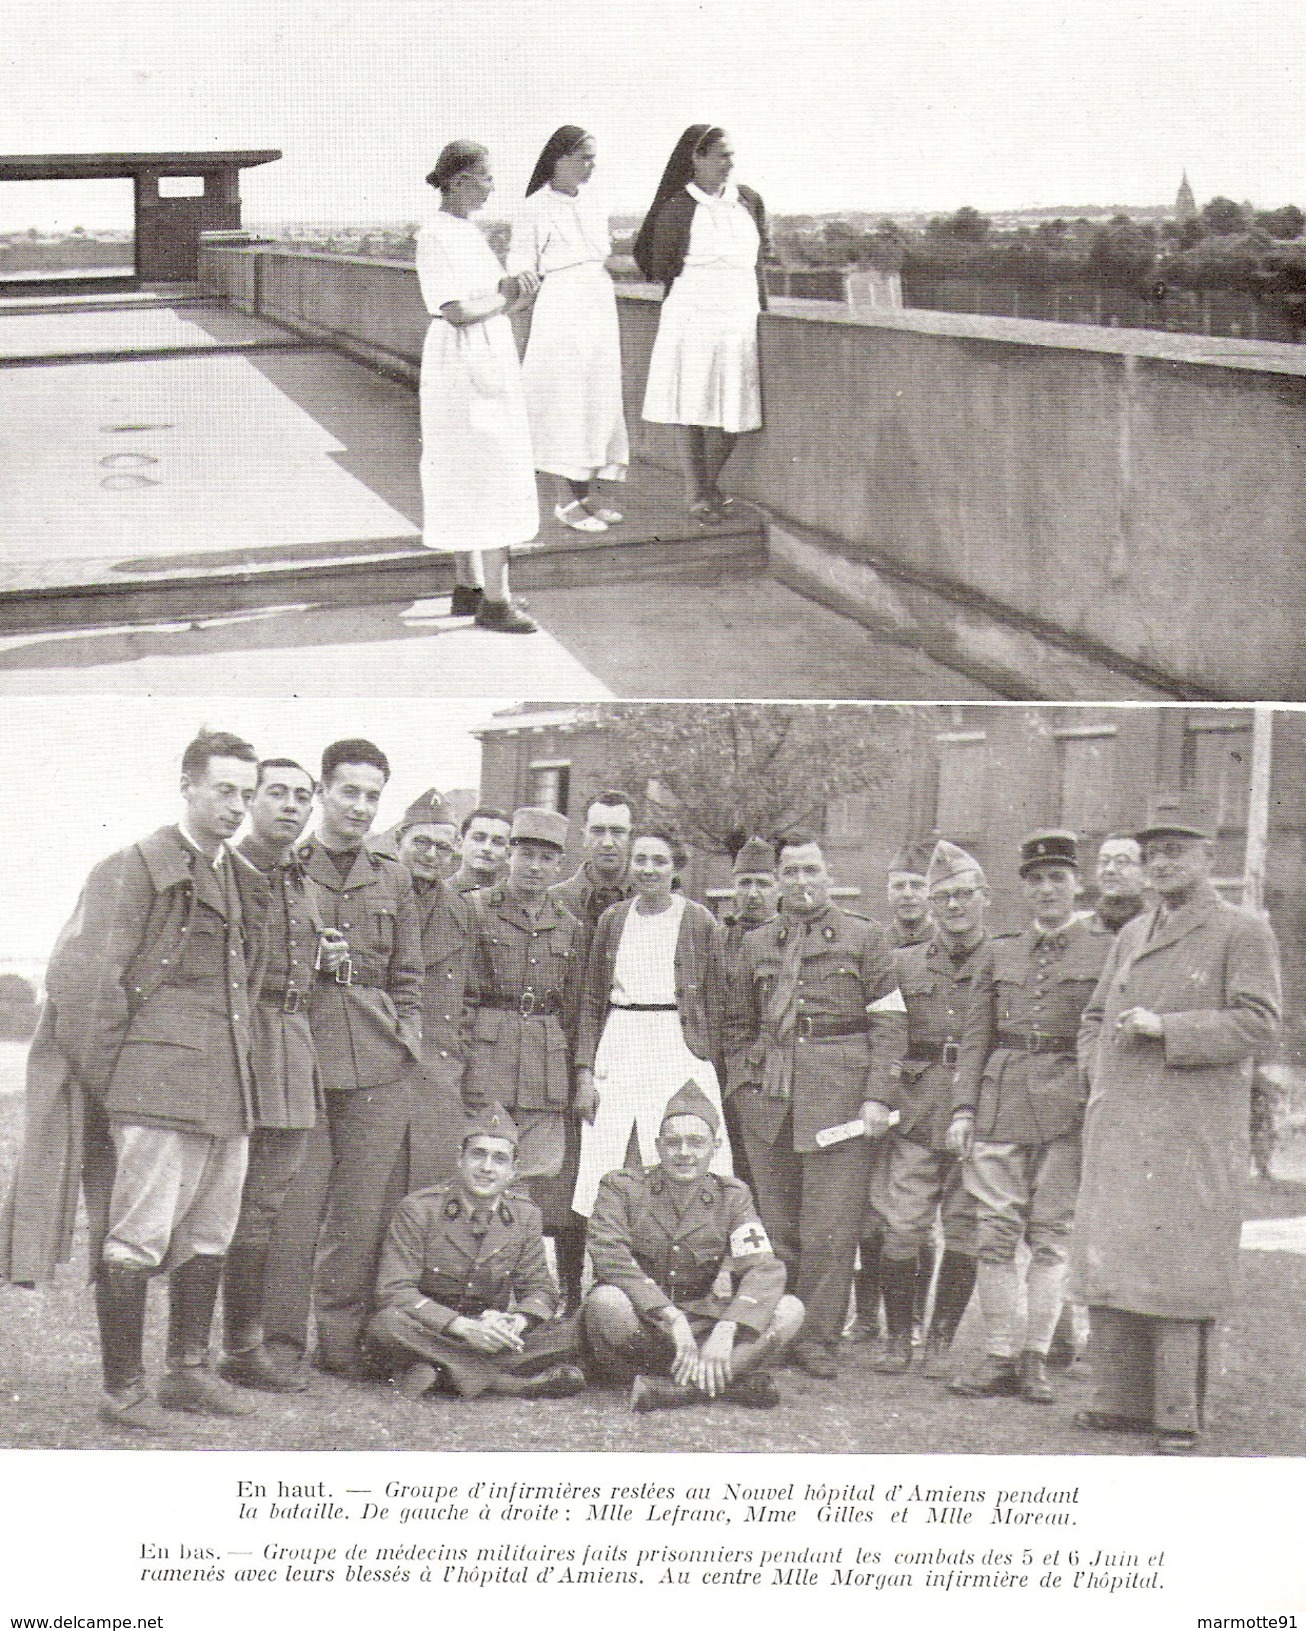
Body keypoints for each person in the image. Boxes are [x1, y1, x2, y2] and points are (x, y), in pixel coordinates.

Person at [1, 731, 268, 1431]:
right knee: (137, 1238)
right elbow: (84, 982)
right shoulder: (132, 867)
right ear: (187, 785)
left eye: (247, 792)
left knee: (210, 1231)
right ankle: (122, 1389)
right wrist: (123, 1080)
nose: (237, 806)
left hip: (228, 1090)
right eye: (223, 790)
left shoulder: (238, 875)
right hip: (156, 1088)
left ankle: (187, 1374)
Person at [1071, 794, 1281, 1455]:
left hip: (1189, 1134)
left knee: (1177, 1270)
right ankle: (1116, 1403)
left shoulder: (1242, 930)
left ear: (1207, 857)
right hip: (1122, 1124)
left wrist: (1169, 1028)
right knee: (1118, 1262)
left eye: (1175, 850)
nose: (1160, 862)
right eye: (1152, 851)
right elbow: (1094, 1015)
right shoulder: (1133, 931)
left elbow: (1260, 1023)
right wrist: (1095, 1072)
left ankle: (1175, 1414)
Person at [725, 834, 906, 1379]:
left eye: (811, 871)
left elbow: (890, 1022)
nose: (800, 883)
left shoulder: (864, 938)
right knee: (774, 1224)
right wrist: (741, 1084)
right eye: (790, 873)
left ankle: (816, 1336)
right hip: (768, 1101)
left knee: (831, 1228)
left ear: (829, 875)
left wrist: (878, 1094)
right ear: (778, 879)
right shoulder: (757, 943)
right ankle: (771, 1327)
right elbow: (735, 1023)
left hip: (841, 1098)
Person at [947, 830, 1112, 1405]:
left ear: (1078, 884)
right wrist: (963, 1107)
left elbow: (1103, 1035)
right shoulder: (1000, 951)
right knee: (995, 1235)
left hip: (1068, 1104)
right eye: (1035, 880)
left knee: (1051, 1238)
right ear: (1022, 889)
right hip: (999, 1100)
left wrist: (1098, 1104)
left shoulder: (1105, 948)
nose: (1046, 890)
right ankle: (997, 1355)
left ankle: (1035, 1358)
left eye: (1057, 879)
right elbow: (974, 1037)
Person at [293, 739, 426, 1377]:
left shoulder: (393, 875)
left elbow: (409, 976)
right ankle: (278, 1342)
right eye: (349, 792)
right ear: (322, 793)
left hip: (378, 1062)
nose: (361, 807)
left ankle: (342, 1344)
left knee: (361, 1210)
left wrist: (407, 1040)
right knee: (296, 1204)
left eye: (373, 796)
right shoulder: (288, 866)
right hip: (303, 1056)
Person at [584, 1081, 803, 1411]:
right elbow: (610, 1256)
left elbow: (763, 1267)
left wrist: (729, 1325)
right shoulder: (621, 1187)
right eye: (673, 1142)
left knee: (791, 1310)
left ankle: (677, 1391)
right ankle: (726, 1380)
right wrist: (671, 1317)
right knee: (606, 1302)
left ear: (714, 1146)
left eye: (696, 1142)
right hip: (644, 1323)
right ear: (658, 1146)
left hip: (700, 1319)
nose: (683, 1152)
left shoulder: (732, 1195)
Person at [366, 1103, 585, 1401]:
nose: (487, 1168)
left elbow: (541, 1289)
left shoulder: (525, 1216)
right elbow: (394, 1291)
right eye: (478, 1154)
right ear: (460, 1158)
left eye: (499, 1159)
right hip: (433, 1328)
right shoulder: (419, 1209)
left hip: (493, 1333)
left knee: (573, 1333)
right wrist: (463, 1328)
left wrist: (516, 1321)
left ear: (513, 1170)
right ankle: (508, 1384)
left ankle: (438, 1371)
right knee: (387, 1325)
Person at [221, 756, 322, 1394]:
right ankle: (201, 1355)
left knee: (264, 1206)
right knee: (220, 1205)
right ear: (251, 800)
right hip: (240, 1044)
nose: (290, 806)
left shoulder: (296, 877)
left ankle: (242, 1347)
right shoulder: (231, 871)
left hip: (291, 1046)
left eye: (301, 796)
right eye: (276, 793)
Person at [572, 824, 732, 1221]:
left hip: (677, 1044)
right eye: (640, 859)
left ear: (676, 867)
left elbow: (717, 999)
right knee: (613, 1152)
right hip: (621, 1041)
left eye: (659, 861)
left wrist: (703, 1053)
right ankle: (610, 1260)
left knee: (679, 1144)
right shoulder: (612, 919)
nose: (648, 869)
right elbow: (592, 1000)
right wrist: (584, 1074)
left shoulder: (699, 921)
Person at [462, 808, 588, 1304]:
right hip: (487, 1059)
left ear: (558, 865)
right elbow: (463, 997)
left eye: (546, 858)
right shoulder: (475, 910)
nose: (534, 867)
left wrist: (580, 1073)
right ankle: (477, 1296)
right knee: (480, 1176)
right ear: (509, 855)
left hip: (545, 1066)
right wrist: (463, 1062)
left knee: (530, 1185)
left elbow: (579, 1009)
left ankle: (527, 1298)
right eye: (526, 855)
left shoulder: (571, 927)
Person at [871, 840, 987, 1379]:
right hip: (918, 1110)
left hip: (982, 1112)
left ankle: (940, 1341)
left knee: (965, 1228)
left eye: (965, 895)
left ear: (984, 898)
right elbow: (888, 1035)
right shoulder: (902, 963)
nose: (955, 906)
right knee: (903, 1226)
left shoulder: (1000, 959)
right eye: (945, 898)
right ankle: (899, 1337)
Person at [416, 140, 540, 633]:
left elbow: (492, 302)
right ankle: (495, 600)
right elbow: (456, 310)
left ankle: (471, 587)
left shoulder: (467, 232)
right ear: (461, 179)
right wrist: (505, 296)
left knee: (473, 466)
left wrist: (518, 294)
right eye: (486, 178)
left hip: (486, 356)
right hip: (460, 363)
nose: (491, 188)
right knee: (487, 469)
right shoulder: (434, 236)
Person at [635, 124, 768, 525]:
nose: (730, 163)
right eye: (721, 155)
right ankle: (698, 492)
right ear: (697, 158)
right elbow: (661, 265)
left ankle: (706, 484)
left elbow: (760, 259)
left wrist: (762, 306)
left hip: (740, 312)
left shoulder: (750, 200)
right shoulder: (677, 206)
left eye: (732, 155)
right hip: (693, 311)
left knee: (737, 408)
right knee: (691, 404)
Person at [508, 126, 629, 534]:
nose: (590, 166)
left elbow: (603, 257)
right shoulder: (534, 206)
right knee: (563, 395)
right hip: (561, 304)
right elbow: (521, 262)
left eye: (593, 158)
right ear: (557, 159)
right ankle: (564, 499)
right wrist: (521, 285)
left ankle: (589, 491)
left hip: (598, 301)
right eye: (583, 157)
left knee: (597, 393)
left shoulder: (595, 203)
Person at [852, 837, 938, 1343]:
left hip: (922, 1094)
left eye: (917, 885)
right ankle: (865, 1318)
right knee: (866, 1212)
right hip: (876, 1087)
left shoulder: (946, 944)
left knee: (909, 1214)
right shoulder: (874, 943)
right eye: (899, 885)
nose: (907, 895)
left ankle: (914, 1321)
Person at [393, 791, 476, 1189]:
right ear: (399, 842)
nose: (430, 855)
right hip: (384, 1059)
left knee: (429, 1187)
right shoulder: (375, 894)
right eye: (420, 843)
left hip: (440, 1065)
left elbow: (468, 994)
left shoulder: (462, 910)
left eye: (442, 847)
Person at [550, 789, 634, 926]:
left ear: (631, 838)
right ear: (584, 837)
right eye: (598, 831)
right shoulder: (553, 900)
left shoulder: (650, 898)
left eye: (618, 832)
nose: (607, 843)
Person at [1088, 833, 1149, 934]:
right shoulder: (1083, 930)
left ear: (1145, 874)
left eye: (1121, 861)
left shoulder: (1155, 929)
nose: (1109, 869)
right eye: (1104, 861)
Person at [449, 806, 513, 896]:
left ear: (509, 853)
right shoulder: (438, 895)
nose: (487, 848)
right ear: (459, 844)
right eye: (478, 839)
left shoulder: (511, 901)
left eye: (498, 842)